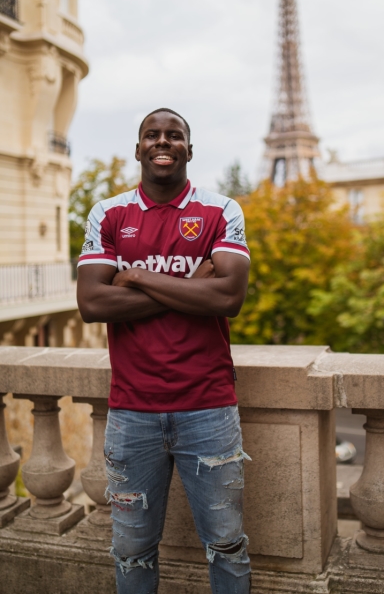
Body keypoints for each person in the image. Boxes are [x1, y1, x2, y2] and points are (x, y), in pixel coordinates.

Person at [77, 107, 251, 594]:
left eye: (175, 135)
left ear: (189, 150)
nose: (163, 141)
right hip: (132, 410)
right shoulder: (108, 213)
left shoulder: (221, 210)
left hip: (210, 407)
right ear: (138, 150)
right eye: (151, 134)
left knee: (227, 545)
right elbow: (92, 302)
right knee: (132, 551)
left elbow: (228, 298)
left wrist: (134, 276)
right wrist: (186, 286)